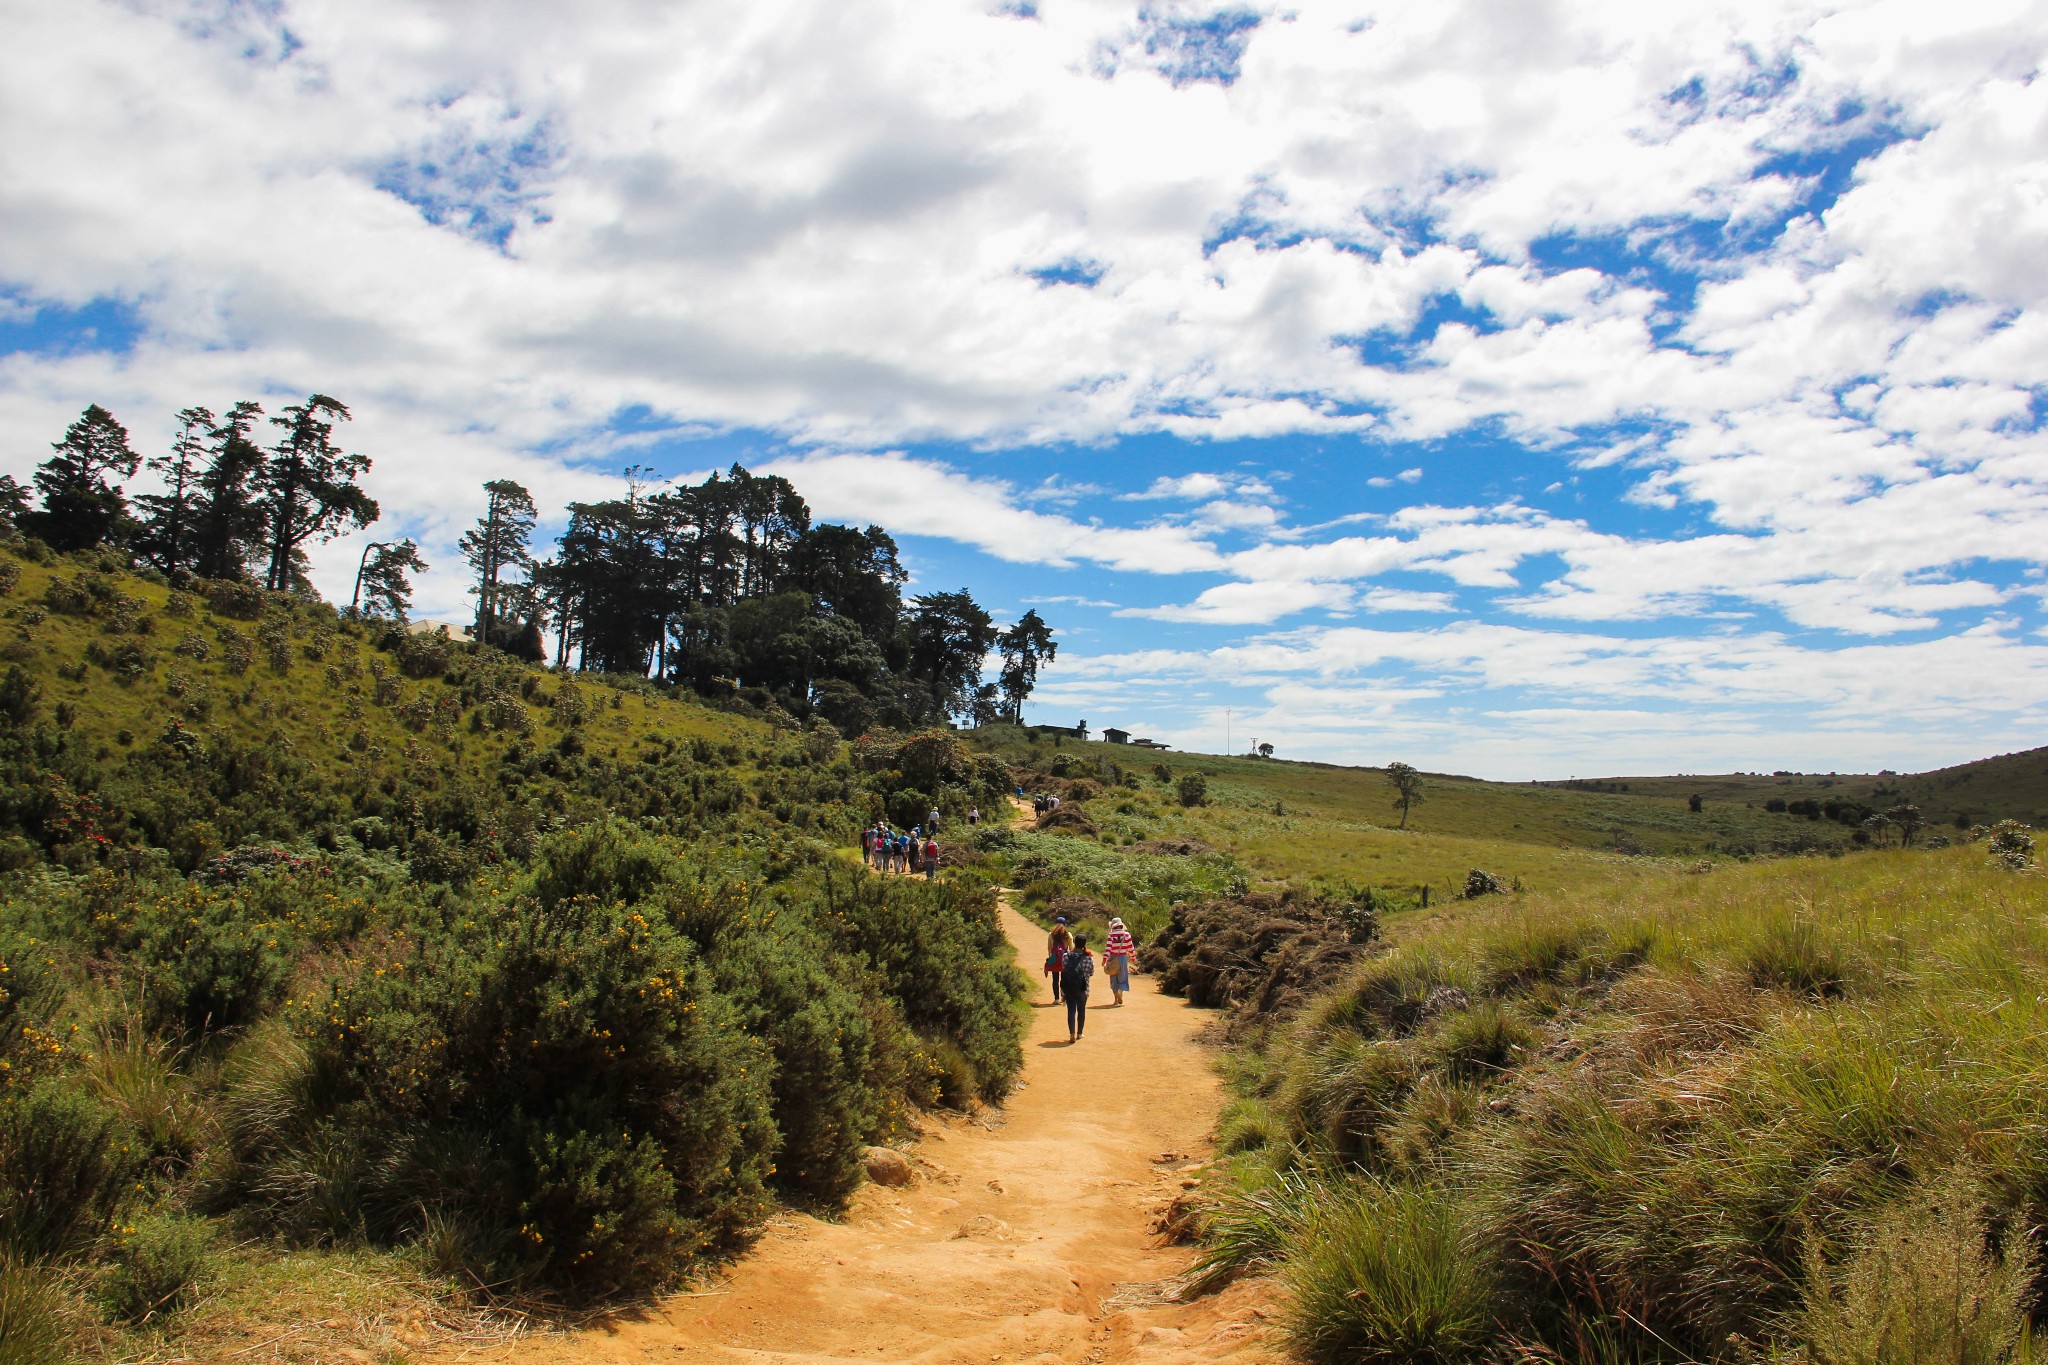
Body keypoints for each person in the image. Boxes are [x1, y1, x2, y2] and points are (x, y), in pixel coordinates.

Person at [1060, 932, 1094, 1042]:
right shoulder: (1089, 957)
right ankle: (1080, 1033)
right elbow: (1091, 972)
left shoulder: (1066, 956)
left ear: (1074, 942)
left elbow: (1064, 969)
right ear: (1085, 943)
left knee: (1071, 1010)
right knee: (1081, 1010)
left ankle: (1072, 1033)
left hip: (1069, 986)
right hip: (1083, 987)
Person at [1103, 916, 1137, 1006]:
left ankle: (1115, 998)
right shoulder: (1127, 935)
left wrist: (1104, 959)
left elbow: (1108, 948)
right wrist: (1133, 958)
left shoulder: (1111, 935)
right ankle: (1120, 992)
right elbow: (1131, 948)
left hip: (1112, 958)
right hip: (1122, 958)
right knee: (1122, 978)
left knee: (1113, 978)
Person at [1045, 915, 1073, 1002]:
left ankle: (1056, 998)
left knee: (1055, 979)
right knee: (1064, 978)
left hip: (1054, 958)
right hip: (1064, 958)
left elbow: (1049, 949)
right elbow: (1071, 948)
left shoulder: (1051, 934)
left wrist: (1052, 958)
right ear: (1065, 924)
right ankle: (1063, 996)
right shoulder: (1068, 935)